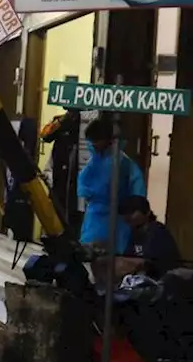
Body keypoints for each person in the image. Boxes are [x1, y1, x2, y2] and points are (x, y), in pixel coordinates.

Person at [77, 118, 145, 254]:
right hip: (95, 214)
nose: (93, 144)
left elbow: (137, 192)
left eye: (96, 140)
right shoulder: (96, 159)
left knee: (111, 256)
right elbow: (84, 184)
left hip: (116, 217)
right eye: (91, 141)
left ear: (107, 139)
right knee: (92, 253)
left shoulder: (123, 163)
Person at [93, 195, 181, 287]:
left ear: (146, 213)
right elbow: (128, 255)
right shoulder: (134, 232)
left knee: (115, 264)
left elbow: (148, 262)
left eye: (132, 212)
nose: (127, 217)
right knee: (101, 261)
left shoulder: (157, 231)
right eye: (124, 213)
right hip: (140, 276)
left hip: (160, 278)